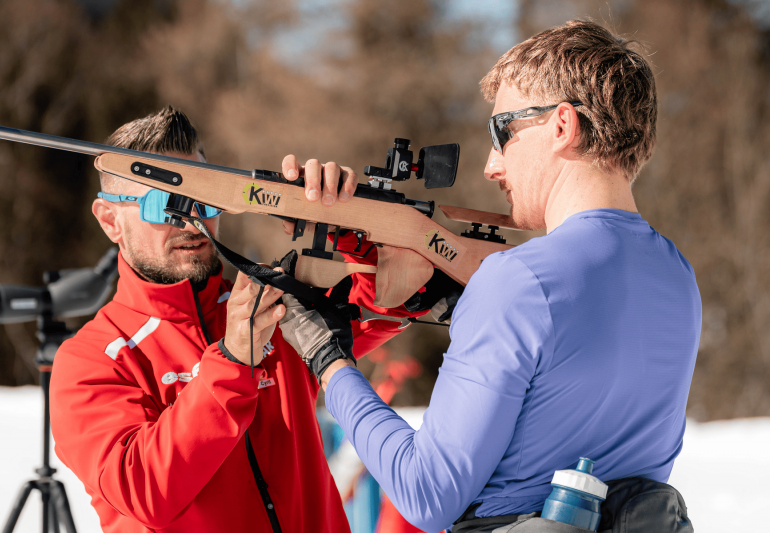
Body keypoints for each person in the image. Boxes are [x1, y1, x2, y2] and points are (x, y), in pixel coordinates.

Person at [279, 20, 701, 533]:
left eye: (502, 131)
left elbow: (426, 493)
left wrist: (328, 360)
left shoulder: (519, 280)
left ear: (562, 126)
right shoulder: (677, 275)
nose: (491, 165)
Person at [49, 106, 419, 532]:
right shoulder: (92, 359)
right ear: (110, 220)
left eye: (205, 198)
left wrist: (352, 228)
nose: (192, 220)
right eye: (166, 205)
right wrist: (232, 360)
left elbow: (391, 302)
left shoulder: (269, 304)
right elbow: (144, 489)